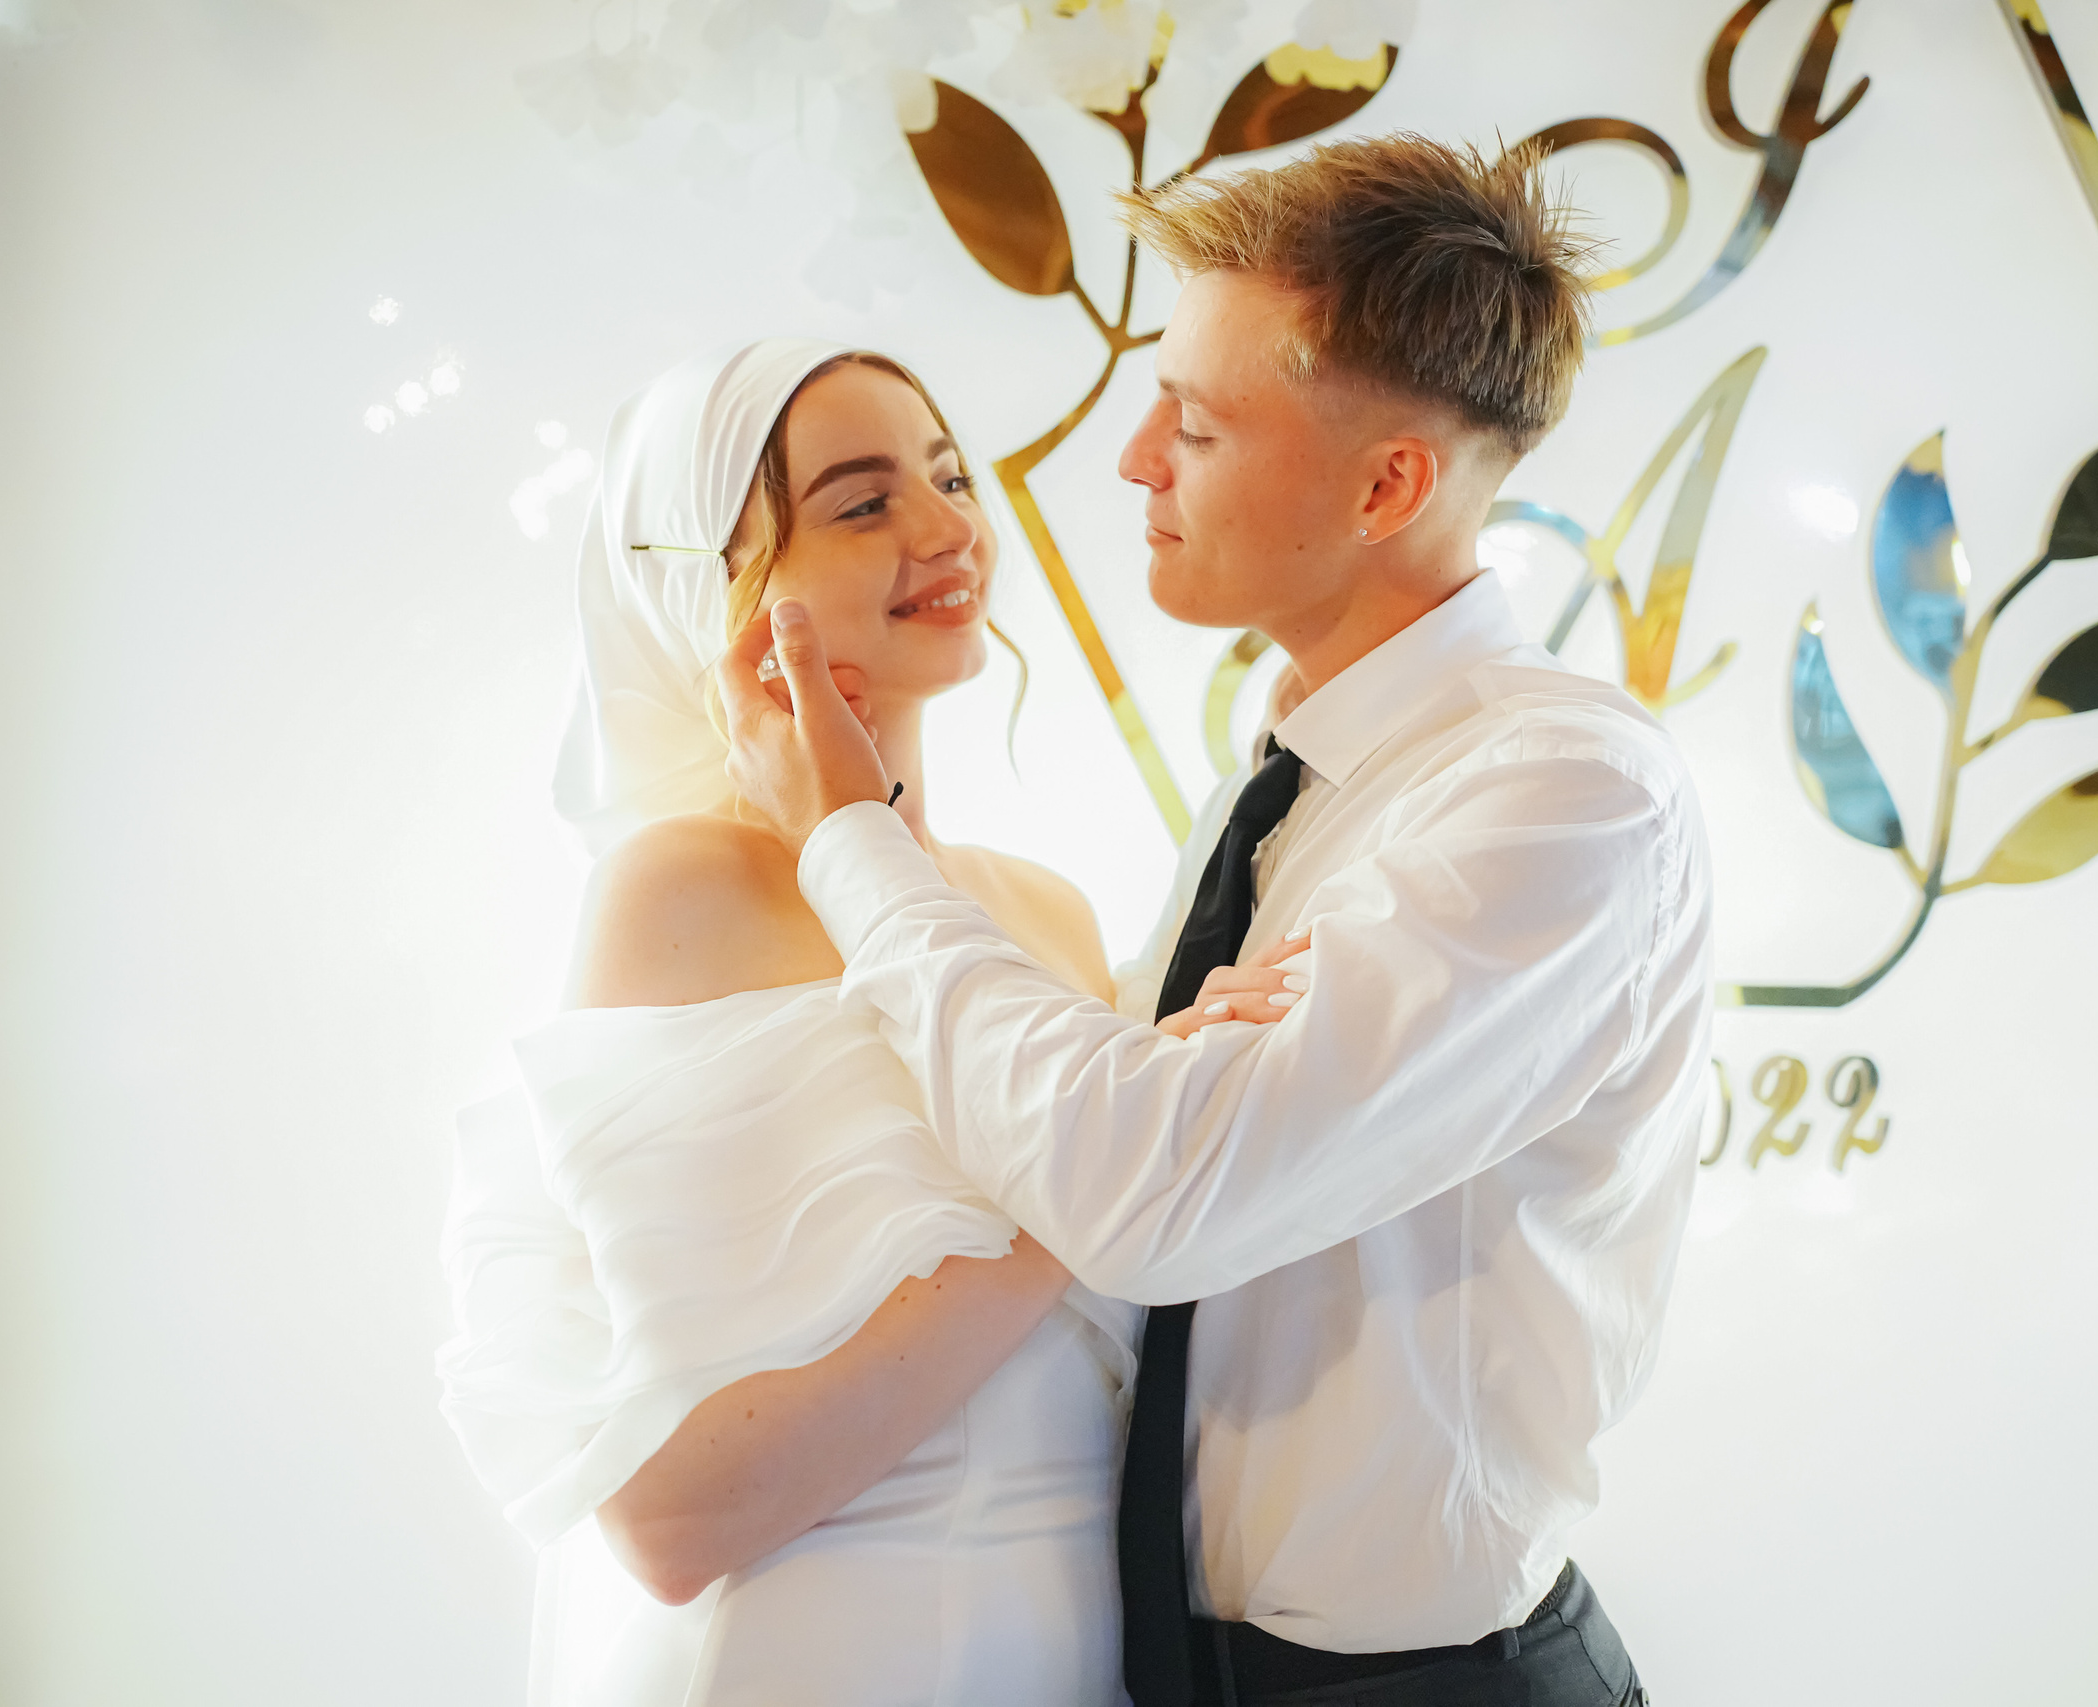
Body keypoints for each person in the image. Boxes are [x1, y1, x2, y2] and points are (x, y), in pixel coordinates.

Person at [720, 136, 1710, 1707]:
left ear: (1387, 486)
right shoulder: (1289, 780)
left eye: (1190, 422)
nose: (1132, 462)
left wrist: (854, 845)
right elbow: (1131, 1157)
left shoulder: (1564, 796)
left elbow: (1144, 1191)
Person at [437, 337, 1290, 1704]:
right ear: (718, 596)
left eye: (948, 477)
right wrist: (1102, 1179)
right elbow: (674, 1521)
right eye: (861, 501)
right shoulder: (684, 889)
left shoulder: (1048, 913)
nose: (949, 527)